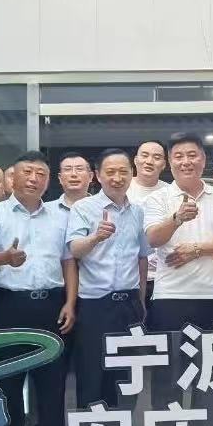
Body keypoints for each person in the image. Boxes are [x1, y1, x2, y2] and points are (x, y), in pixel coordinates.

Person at [0, 151, 76, 426]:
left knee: (52, 386)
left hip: (51, 307)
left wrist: (70, 302)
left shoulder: (61, 216)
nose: (33, 179)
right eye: (27, 172)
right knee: (6, 386)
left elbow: (68, 261)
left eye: (40, 174)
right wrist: (5, 257)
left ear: (48, 180)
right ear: (12, 177)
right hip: (8, 307)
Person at [144, 132, 213, 426]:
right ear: (170, 162)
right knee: (169, 376)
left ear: (203, 159)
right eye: (179, 156)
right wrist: (176, 219)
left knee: (212, 375)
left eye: (192, 155)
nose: (186, 161)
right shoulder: (158, 198)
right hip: (169, 299)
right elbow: (153, 239)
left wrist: (197, 249)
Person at [67, 149, 150, 409]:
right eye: (110, 172)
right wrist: (95, 237)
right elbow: (74, 250)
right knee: (92, 372)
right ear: (97, 175)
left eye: (123, 172)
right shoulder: (83, 207)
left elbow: (142, 258)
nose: (117, 178)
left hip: (129, 303)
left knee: (126, 375)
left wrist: (141, 299)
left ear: (132, 174)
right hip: (95, 304)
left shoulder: (138, 212)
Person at [129, 140, 170, 313]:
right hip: (129, 279)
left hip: (164, 278)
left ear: (164, 164)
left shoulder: (171, 192)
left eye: (156, 157)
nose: (149, 161)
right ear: (135, 160)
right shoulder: (120, 189)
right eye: (144, 155)